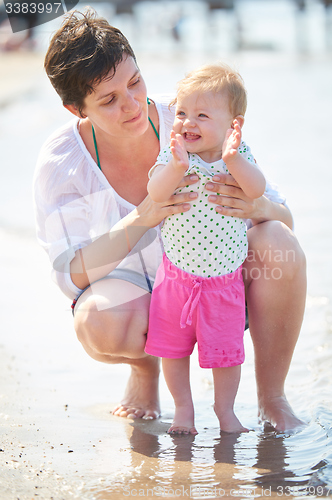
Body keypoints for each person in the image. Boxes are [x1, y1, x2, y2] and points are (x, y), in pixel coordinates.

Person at [33, 9, 306, 431]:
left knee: (281, 247)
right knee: (99, 320)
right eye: (108, 100)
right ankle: (145, 372)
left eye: (135, 82)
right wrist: (142, 218)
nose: (132, 105)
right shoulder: (62, 162)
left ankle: (272, 398)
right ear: (76, 109)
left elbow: (283, 216)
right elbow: (70, 274)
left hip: (219, 278)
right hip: (142, 295)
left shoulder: (193, 121)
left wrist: (260, 209)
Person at [145, 64, 266, 435]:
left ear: (234, 126)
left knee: (227, 355)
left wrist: (233, 160)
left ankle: (224, 410)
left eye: (201, 115)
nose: (187, 123)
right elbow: (155, 192)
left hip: (224, 284)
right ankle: (183, 409)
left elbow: (257, 189)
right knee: (172, 350)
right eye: (181, 113)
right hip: (176, 280)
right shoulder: (175, 157)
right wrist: (176, 166)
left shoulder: (239, 154)